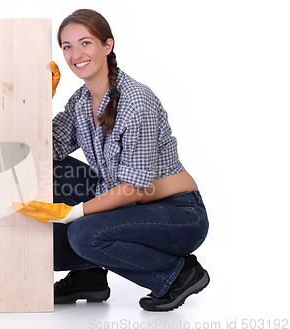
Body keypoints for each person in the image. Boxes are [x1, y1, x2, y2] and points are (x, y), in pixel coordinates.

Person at [14, 9, 209, 312]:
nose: (76, 54)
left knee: (82, 234)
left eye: (85, 43)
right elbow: (40, 152)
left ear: (107, 45)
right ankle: (87, 276)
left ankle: (179, 274)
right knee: (50, 173)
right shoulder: (81, 101)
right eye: (67, 46)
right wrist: (39, 99)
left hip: (178, 214)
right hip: (127, 206)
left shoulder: (136, 101)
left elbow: (134, 189)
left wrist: (73, 212)